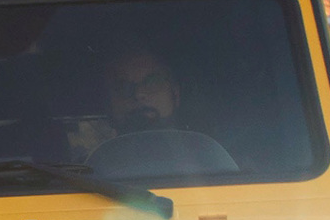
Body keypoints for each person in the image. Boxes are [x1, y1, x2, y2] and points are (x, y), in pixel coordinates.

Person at [88, 47, 238, 177]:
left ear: (175, 93)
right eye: (122, 87)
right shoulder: (81, 177)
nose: (139, 93)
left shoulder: (215, 159)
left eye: (152, 81)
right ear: (108, 103)